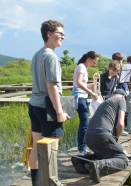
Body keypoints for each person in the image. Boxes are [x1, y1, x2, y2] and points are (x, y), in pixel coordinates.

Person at [28, 20, 69, 186]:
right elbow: (51, 86)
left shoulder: (37, 54)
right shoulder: (51, 57)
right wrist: (59, 111)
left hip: (34, 104)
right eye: (60, 34)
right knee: (52, 150)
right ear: (49, 34)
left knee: (37, 148)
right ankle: (50, 182)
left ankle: (36, 184)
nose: (63, 37)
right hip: (48, 108)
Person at [71, 89, 129, 183]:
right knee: (123, 159)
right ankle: (99, 165)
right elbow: (121, 124)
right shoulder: (121, 100)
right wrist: (116, 139)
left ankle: (80, 159)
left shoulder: (106, 102)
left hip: (88, 135)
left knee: (101, 155)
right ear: (123, 96)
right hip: (101, 134)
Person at [72, 51, 99, 154]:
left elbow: (80, 84)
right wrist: (91, 92)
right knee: (85, 122)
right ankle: (82, 147)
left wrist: (89, 86)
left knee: (85, 122)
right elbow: (78, 83)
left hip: (82, 96)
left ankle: (83, 146)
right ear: (89, 59)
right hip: (79, 97)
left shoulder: (83, 68)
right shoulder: (81, 67)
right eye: (94, 62)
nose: (94, 64)